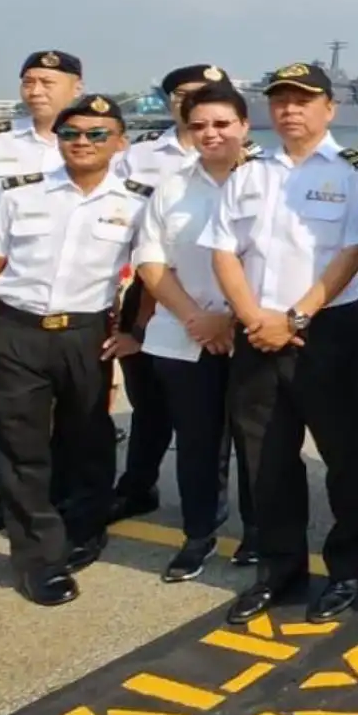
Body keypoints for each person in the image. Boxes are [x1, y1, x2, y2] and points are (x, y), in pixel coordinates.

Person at [200, 61, 358, 625]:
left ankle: (348, 569)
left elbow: (355, 251)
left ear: (330, 107)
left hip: (326, 333)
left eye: (302, 100)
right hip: (258, 333)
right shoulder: (249, 172)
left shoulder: (352, 172)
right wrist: (254, 316)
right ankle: (279, 572)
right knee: (267, 460)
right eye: (279, 101)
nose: (289, 110)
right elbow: (223, 249)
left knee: (346, 458)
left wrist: (296, 317)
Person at [0, 95, 148, 605]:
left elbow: (154, 274)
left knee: (87, 437)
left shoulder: (136, 201)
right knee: (21, 447)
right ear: (58, 141)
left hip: (86, 335)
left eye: (96, 134)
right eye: (71, 134)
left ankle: (84, 531)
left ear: (119, 143)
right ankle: (38, 560)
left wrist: (136, 329)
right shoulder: (20, 195)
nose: (82, 142)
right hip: (17, 331)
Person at [111, 64, 259, 551]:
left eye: (221, 123)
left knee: (259, 445)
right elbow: (150, 261)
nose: (210, 134)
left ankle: (261, 536)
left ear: (244, 125)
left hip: (255, 333)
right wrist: (197, 318)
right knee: (196, 444)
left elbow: (283, 263)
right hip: (183, 333)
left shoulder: (271, 184)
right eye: (199, 126)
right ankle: (199, 533)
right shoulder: (172, 187)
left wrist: (231, 318)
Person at [0, 49, 84, 541]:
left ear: (77, 86)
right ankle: (6, 501)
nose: (36, 90)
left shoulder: (101, 144)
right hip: (11, 298)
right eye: (28, 80)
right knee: (13, 414)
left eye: (48, 81)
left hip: (78, 303)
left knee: (77, 414)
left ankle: (68, 501)